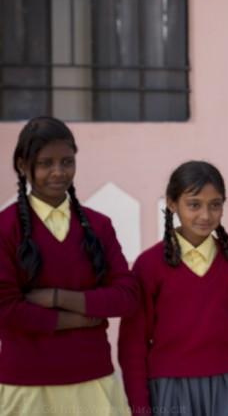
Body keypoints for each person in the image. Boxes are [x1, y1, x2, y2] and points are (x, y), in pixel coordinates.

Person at [0, 116, 139, 415]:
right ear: (23, 166)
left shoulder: (100, 226)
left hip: (94, 380)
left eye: (67, 161)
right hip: (26, 386)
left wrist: (54, 298)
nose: (58, 172)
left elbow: (127, 297)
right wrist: (84, 318)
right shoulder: (5, 227)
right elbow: (6, 308)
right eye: (46, 163)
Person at [118, 161, 228, 416]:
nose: (205, 215)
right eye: (194, 204)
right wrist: (140, 408)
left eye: (215, 205)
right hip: (169, 391)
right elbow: (132, 346)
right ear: (172, 204)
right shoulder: (149, 266)